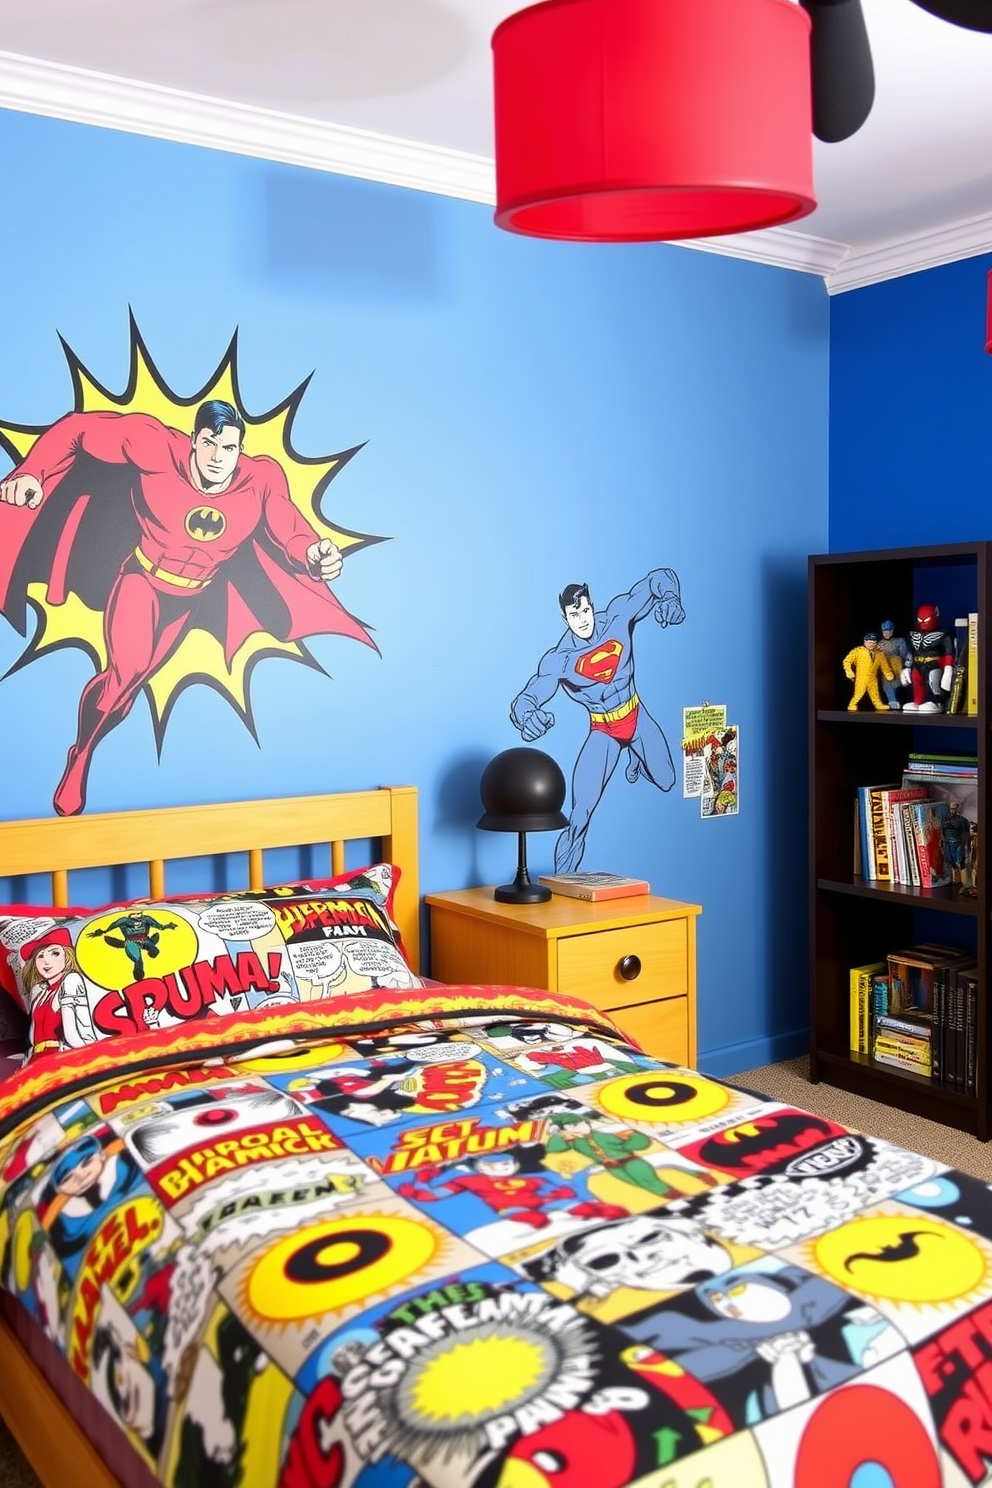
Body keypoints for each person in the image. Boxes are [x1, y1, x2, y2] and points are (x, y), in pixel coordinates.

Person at [0, 400, 374, 815]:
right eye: (210, 444)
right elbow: (77, 429)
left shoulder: (261, 478)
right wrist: (32, 471)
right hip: (139, 581)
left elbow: (288, 527)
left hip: (190, 599)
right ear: (195, 440)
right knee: (127, 671)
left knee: (125, 692)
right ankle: (82, 756)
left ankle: (85, 744)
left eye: (229, 448)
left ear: (240, 449)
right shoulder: (154, 447)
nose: (218, 458)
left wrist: (315, 553)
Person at [510, 570, 684, 872]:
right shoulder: (559, 660)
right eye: (575, 614)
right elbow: (528, 695)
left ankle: (636, 757)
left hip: (635, 715)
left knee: (667, 781)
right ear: (565, 618)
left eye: (586, 609)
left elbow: (659, 579)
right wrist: (527, 715)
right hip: (603, 731)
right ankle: (562, 884)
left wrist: (671, 597)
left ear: (592, 605)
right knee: (579, 816)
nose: (583, 618)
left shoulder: (617, 619)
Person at [19, 925, 95, 1053]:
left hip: (61, 1055)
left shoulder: (72, 980)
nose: (46, 962)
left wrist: (85, 1054)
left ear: (67, 955)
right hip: (38, 1057)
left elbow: (77, 1031)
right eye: (40, 956)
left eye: (55, 953)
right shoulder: (39, 991)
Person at [842, 631, 896, 711]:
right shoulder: (858, 651)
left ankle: (878, 704)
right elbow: (847, 661)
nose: (871, 644)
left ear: (876, 643)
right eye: (868, 642)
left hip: (872, 678)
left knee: (875, 693)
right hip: (861, 677)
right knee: (858, 693)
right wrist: (849, 671)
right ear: (865, 642)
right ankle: (852, 704)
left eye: (873, 643)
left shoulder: (880, 654)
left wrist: (888, 674)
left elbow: (885, 666)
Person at [877, 619, 909, 709]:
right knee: (887, 685)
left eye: (888, 631)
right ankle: (892, 701)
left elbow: (904, 654)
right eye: (884, 631)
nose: (886, 633)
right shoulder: (879, 643)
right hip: (885, 667)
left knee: (898, 685)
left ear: (892, 631)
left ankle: (900, 702)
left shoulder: (900, 641)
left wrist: (905, 664)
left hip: (897, 665)